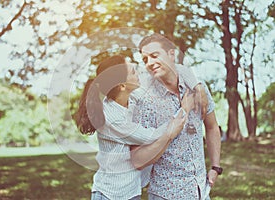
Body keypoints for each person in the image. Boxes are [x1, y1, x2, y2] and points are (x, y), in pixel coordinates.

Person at [74, 55, 196, 200]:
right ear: (123, 86)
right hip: (111, 194)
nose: (138, 72)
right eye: (133, 71)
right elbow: (153, 136)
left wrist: (196, 83)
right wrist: (184, 110)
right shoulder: (112, 118)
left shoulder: (131, 99)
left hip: (131, 191)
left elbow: (157, 81)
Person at [130, 34, 222, 199]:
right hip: (166, 194)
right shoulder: (144, 101)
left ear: (171, 54)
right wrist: (169, 134)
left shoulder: (198, 88)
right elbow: (137, 159)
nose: (149, 63)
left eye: (154, 55)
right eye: (145, 59)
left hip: (201, 191)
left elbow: (212, 126)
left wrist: (215, 167)